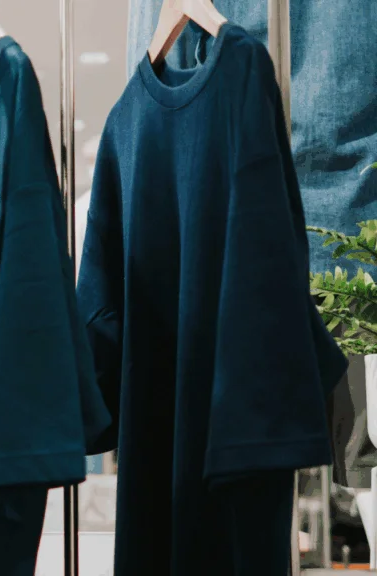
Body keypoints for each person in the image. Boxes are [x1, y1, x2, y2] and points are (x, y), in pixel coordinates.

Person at [126, 0, 377, 497]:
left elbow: (159, 92)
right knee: (357, 474)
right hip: (347, 243)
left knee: (248, 481)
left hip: (242, 249)